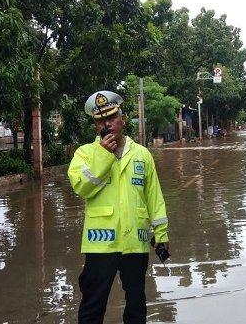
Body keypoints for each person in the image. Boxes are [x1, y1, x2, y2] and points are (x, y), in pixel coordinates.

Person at [68, 90, 170, 324]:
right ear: (95, 125)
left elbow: (154, 196)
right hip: (100, 243)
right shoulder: (84, 154)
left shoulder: (142, 155)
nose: (106, 124)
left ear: (122, 119)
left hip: (136, 241)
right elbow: (82, 188)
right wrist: (104, 154)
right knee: (93, 305)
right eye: (100, 120)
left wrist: (162, 235)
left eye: (111, 117)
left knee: (136, 304)